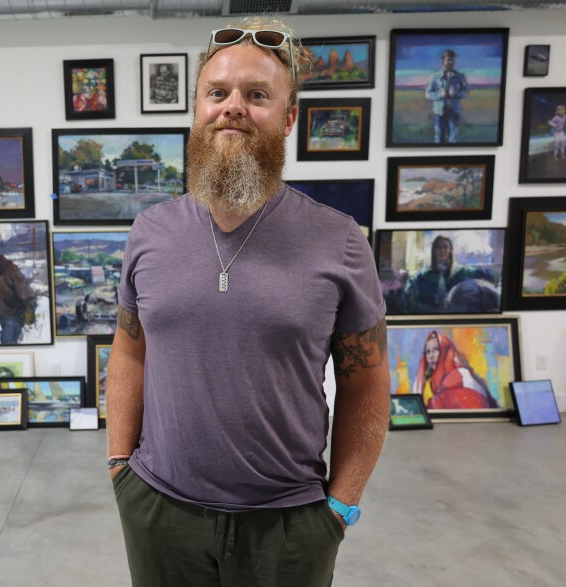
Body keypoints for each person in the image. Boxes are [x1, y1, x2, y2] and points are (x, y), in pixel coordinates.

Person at [106, 17, 390, 587]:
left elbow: (367, 380)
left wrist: (340, 506)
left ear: (287, 119)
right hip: (160, 511)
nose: (232, 106)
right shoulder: (150, 231)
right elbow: (129, 352)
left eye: (256, 95)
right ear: (197, 110)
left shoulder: (339, 242)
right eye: (218, 93)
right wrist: (120, 468)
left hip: (289, 525)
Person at [403, 235, 499, 313]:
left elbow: (489, 276)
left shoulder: (461, 271)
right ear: (433, 251)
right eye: (438, 247)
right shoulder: (423, 275)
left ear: (450, 251)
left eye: (445, 247)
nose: (442, 251)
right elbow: (409, 292)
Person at [412, 330, 498, 409]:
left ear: (445, 352)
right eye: (428, 352)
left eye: (436, 350)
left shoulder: (461, 376)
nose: (431, 356)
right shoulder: (435, 386)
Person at [425, 49, 470, 143]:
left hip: (453, 111)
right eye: (448, 59)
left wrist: (456, 94)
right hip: (439, 112)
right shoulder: (434, 76)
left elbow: (465, 92)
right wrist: (439, 95)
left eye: (453, 60)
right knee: (438, 139)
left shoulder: (460, 76)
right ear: (443, 61)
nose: (451, 62)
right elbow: (428, 94)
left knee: (453, 139)